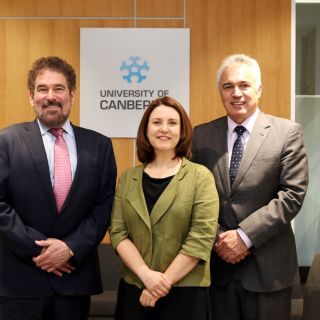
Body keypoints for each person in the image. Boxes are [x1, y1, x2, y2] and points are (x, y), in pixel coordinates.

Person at [191, 53, 309, 320]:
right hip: (217, 267)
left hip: (269, 270)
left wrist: (243, 237)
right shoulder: (201, 135)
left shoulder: (287, 132)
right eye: (228, 86)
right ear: (220, 92)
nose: (237, 93)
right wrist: (219, 239)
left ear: (259, 89)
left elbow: (292, 195)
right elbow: (193, 198)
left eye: (244, 85)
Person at [0, 56, 117, 320]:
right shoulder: (6, 142)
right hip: (19, 281)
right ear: (31, 97)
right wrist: (41, 249)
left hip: (73, 280)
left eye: (58, 88)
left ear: (72, 95)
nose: (50, 96)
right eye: (42, 89)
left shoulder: (99, 146)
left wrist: (70, 248)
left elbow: (105, 205)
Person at [109, 96, 219, 320]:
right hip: (134, 291)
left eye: (172, 122)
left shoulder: (200, 177)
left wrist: (162, 283)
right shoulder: (128, 178)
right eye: (157, 122)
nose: (164, 129)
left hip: (185, 293)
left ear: (182, 130)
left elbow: (201, 238)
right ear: (146, 129)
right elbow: (118, 233)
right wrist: (145, 276)